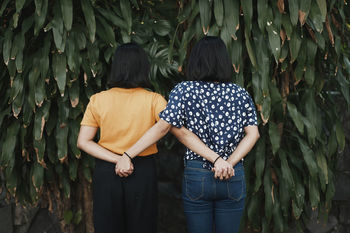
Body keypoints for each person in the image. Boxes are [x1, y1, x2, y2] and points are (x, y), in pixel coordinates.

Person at [76, 42, 229, 233]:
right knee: (143, 226)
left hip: (108, 170)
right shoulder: (154, 100)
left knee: (107, 226)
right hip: (142, 170)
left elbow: (83, 141)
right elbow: (175, 129)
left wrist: (119, 159)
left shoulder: (98, 99)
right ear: (143, 68)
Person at [117, 36, 260, 233]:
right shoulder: (240, 93)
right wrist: (227, 163)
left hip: (198, 173)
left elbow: (163, 127)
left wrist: (127, 154)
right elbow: (253, 134)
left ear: (196, 61)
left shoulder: (184, 90)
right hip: (232, 173)